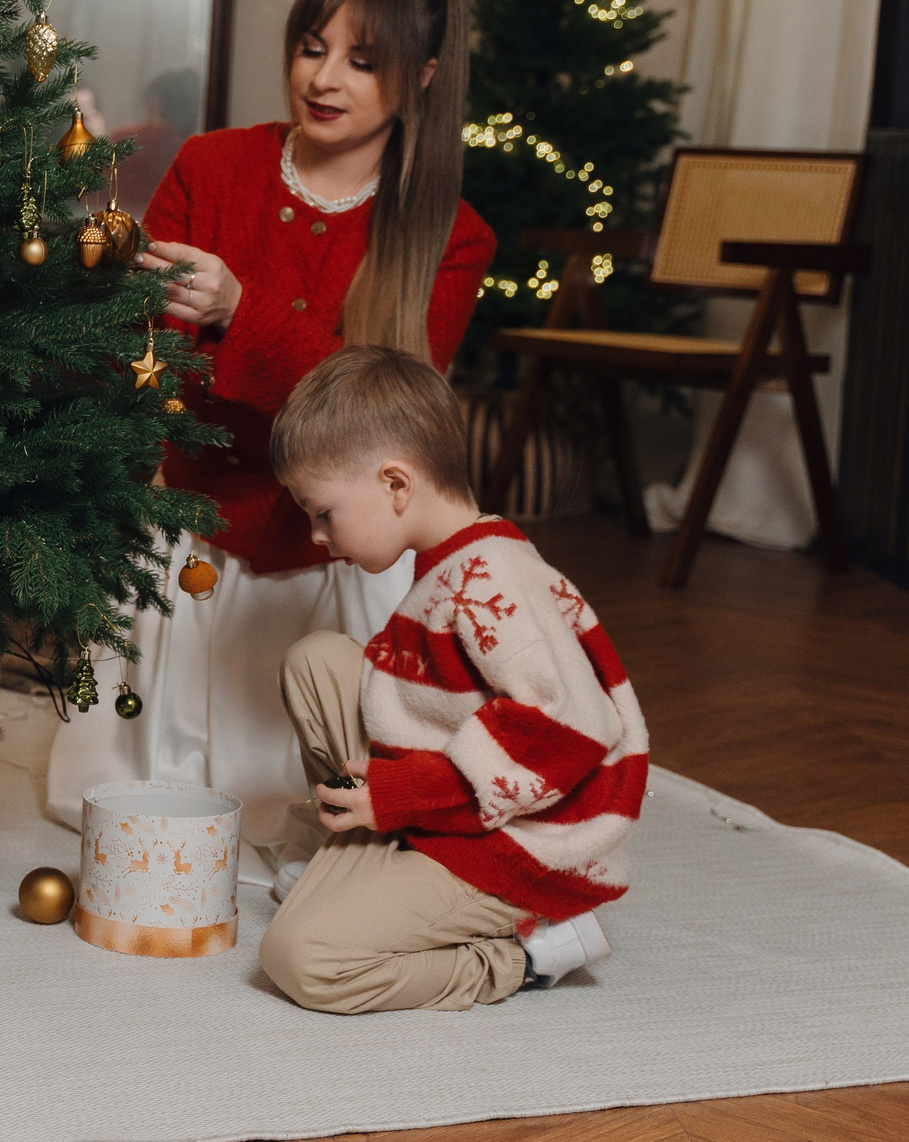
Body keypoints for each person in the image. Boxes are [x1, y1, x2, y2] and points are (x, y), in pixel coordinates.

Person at [47, 0, 497, 880]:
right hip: (194, 524)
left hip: (334, 555)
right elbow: (130, 355)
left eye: (362, 62)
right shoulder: (212, 168)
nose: (324, 78)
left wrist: (241, 316)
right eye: (311, 46)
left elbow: (389, 425)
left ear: (418, 79)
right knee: (127, 809)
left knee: (310, 813)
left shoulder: (450, 236)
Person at [261, 345, 641, 1012]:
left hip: (522, 844)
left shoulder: (494, 581)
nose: (317, 535)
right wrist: (389, 793)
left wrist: (399, 790)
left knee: (301, 956)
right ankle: (369, 846)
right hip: (451, 798)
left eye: (323, 512)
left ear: (395, 484)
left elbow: (571, 729)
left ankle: (523, 955)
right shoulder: (449, 560)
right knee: (319, 660)